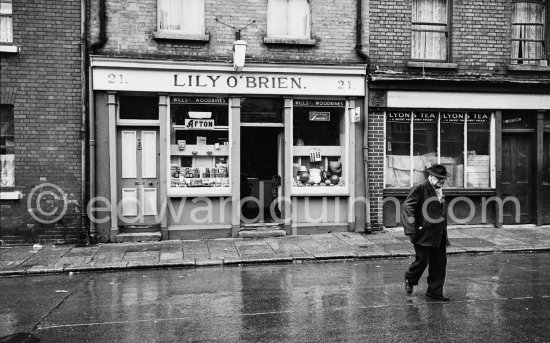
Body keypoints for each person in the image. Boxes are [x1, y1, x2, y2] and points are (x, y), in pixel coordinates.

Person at [401, 164, 451, 301]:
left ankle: (434, 292)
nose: (442, 181)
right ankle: (410, 278)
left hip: (438, 233)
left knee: (439, 263)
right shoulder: (421, 188)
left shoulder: (440, 189)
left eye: (444, 179)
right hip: (423, 232)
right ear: (431, 176)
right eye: (439, 178)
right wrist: (411, 229)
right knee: (422, 260)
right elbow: (407, 207)